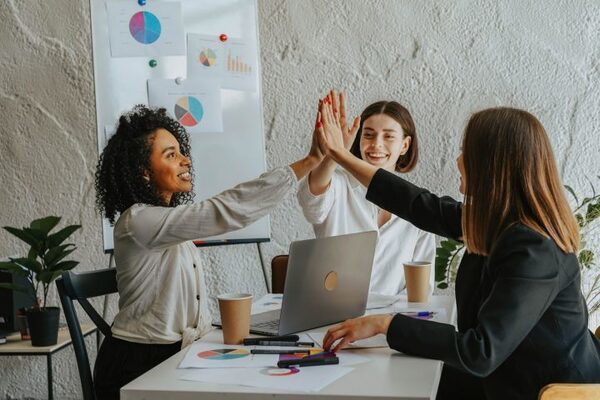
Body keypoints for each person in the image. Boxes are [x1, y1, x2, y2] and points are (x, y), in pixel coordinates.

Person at [316, 100, 600, 399]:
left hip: (544, 390)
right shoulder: (497, 222)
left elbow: (479, 351)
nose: (458, 160)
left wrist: (384, 324)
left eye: (467, 151)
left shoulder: (534, 248)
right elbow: (418, 204)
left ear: (492, 165)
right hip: (503, 375)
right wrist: (339, 155)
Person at [93, 105, 323, 399]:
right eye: (170, 155)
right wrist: (310, 162)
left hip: (174, 355)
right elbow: (222, 212)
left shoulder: (166, 223)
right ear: (144, 173)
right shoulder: (138, 221)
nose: (185, 160)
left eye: (180, 151)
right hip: (138, 364)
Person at [297, 91, 435, 295]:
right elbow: (311, 204)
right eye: (368, 134)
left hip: (389, 321)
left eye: (388, 136)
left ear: (404, 145)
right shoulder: (337, 184)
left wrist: (388, 322)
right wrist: (335, 153)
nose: (376, 144)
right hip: (333, 317)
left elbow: (421, 288)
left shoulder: (418, 205)